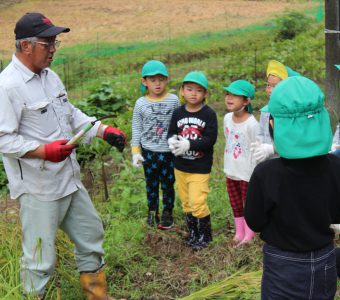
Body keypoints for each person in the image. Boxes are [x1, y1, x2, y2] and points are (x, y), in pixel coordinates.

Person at [0, 12, 126, 299]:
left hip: (68, 179)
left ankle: (97, 295)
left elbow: (69, 113)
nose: (54, 48)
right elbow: (3, 138)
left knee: (91, 236)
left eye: (55, 42)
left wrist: (102, 130)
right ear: (26, 46)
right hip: (39, 189)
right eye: (48, 43)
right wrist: (43, 151)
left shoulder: (50, 76)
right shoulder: (7, 86)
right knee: (40, 259)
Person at [244, 76, 340, 300]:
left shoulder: (266, 173)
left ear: (273, 124)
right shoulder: (335, 166)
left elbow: (255, 221)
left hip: (283, 265)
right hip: (325, 259)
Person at [167, 71, 217, 251]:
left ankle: (206, 235)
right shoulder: (178, 113)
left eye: (198, 90)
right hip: (180, 166)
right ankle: (194, 233)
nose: (193, 93)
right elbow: (172, 132)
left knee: (197, 201)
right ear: (182, 91)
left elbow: (210, 139)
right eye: (189, 89)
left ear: (205, 94)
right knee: (186, 202)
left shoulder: (208, 114)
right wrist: (172, 141)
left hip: (199, 167)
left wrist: (189, 143)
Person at [131, 60, 180, 229]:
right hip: (149, 152)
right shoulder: (140, 103)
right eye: (153, 80)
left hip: (168, 152)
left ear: (166, 80)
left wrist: (180, 143)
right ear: (144, 82)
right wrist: (135, 151)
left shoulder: (173, 101)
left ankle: (167, 212)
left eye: (161, 79)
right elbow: (136, 128)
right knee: (151, 183)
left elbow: (178, 124)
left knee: (168, 184)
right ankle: (152, 211)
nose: (157, 83)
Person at [223, 80, 259, 246]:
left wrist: (253, 172)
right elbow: (227, 138)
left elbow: (255, 148)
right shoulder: (227, 119)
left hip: (247, 173)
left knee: (248, 204)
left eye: (235, 96)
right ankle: (239, 232)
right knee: (235, 202)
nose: (229, 98)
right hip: (231, 170)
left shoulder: (252, 124)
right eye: (228, 94)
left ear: (246, 101)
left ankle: (249, 234)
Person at [251, 60, 300, 163]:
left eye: (276, 86)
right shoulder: (265, 112)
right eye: (268, 85)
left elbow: (295, 141)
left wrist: (272, 149)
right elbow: (261, 134)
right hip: (269, 164)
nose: (270, 90)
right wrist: (259, 146)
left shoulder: (295, 114)